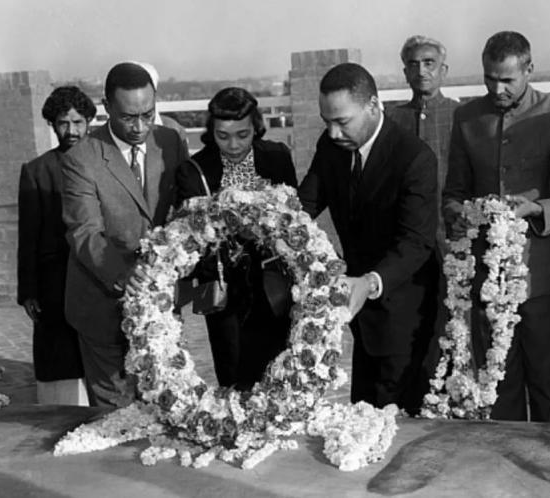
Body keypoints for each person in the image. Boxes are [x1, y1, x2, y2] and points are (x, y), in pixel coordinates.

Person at [442, 31, 550, 422]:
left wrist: (534, 209)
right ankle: (504, 475)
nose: (497, 88)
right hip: (488, 279)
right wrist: (459, 214)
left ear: (529, 69)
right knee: (498, 387)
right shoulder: (467, 117)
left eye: (507, 79)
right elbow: (453, 192)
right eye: (489, 78)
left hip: (543, 278)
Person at [298, 63, 439, 415]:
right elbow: (303, 207)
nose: (332, 133)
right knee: (362, 411)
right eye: (326, 121)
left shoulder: (415, 158)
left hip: (408, 311)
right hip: (360, 315)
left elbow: (416, 243)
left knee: (401, 417)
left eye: (342, 122)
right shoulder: (331, 147)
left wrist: (370, 282)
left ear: (374, 106)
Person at [61, 62, 189, 408]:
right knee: (115, 416)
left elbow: (185, 210)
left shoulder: (171, 141)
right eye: (128, 118)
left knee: (166, 405)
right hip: (103, 305)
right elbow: (84, 231)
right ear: (106, 107)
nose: (140, 127)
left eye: (148, 114)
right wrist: (123, 274)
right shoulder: (80, 159)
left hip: (161, 307)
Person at [174, 87, 297, 390]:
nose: (232, 145)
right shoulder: (194, 171)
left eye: (242, 135)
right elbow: (193, 236)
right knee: (234, 377)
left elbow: (294, 216)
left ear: (256, 125)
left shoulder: (277, 157)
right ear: (210, 131)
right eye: (222, 135)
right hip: (224, 291)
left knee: (280, 372)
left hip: (274, 285)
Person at [18, 86, 95, 405]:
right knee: (59, 356)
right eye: (64, 123)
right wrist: (28, 290)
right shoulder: (37, 171)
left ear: (89, 121)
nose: (72, 130)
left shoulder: (105, 162)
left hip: (97, 275)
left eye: (78, 122)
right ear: (53, 124)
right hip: (55, 281)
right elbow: (29, 234)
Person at [387, 35, 460, 240]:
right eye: (414, 64)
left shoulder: (461, 116)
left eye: (429, 63)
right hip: (406, 232)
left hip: (452, 230)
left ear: (443, 71)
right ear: (406, 73)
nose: (421, 71)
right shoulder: (391, 119)